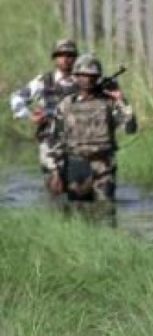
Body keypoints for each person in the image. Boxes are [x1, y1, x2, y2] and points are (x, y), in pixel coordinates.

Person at [50, 54, 137, 223]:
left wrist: (121, 100)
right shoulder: (66, 105)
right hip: (76, 166)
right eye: (83, 75)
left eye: (92, 76)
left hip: (103, 166)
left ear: (98, 78)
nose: (88, 80)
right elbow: (57, 141)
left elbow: (130, 128)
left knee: (106, 212)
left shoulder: (109, 103)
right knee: (78, 215)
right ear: (75, 77)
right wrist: (57, 172)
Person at [9, 38, 80, 195]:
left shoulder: (85, 81)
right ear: (55, 58)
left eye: (70, 54)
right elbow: (17, 98)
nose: (66, 58)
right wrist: (30, 116)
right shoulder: (44, 81)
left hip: (79, 140)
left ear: (76, 57)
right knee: (55, 186)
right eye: (61, 54)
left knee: (80, 188)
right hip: (50, 141)